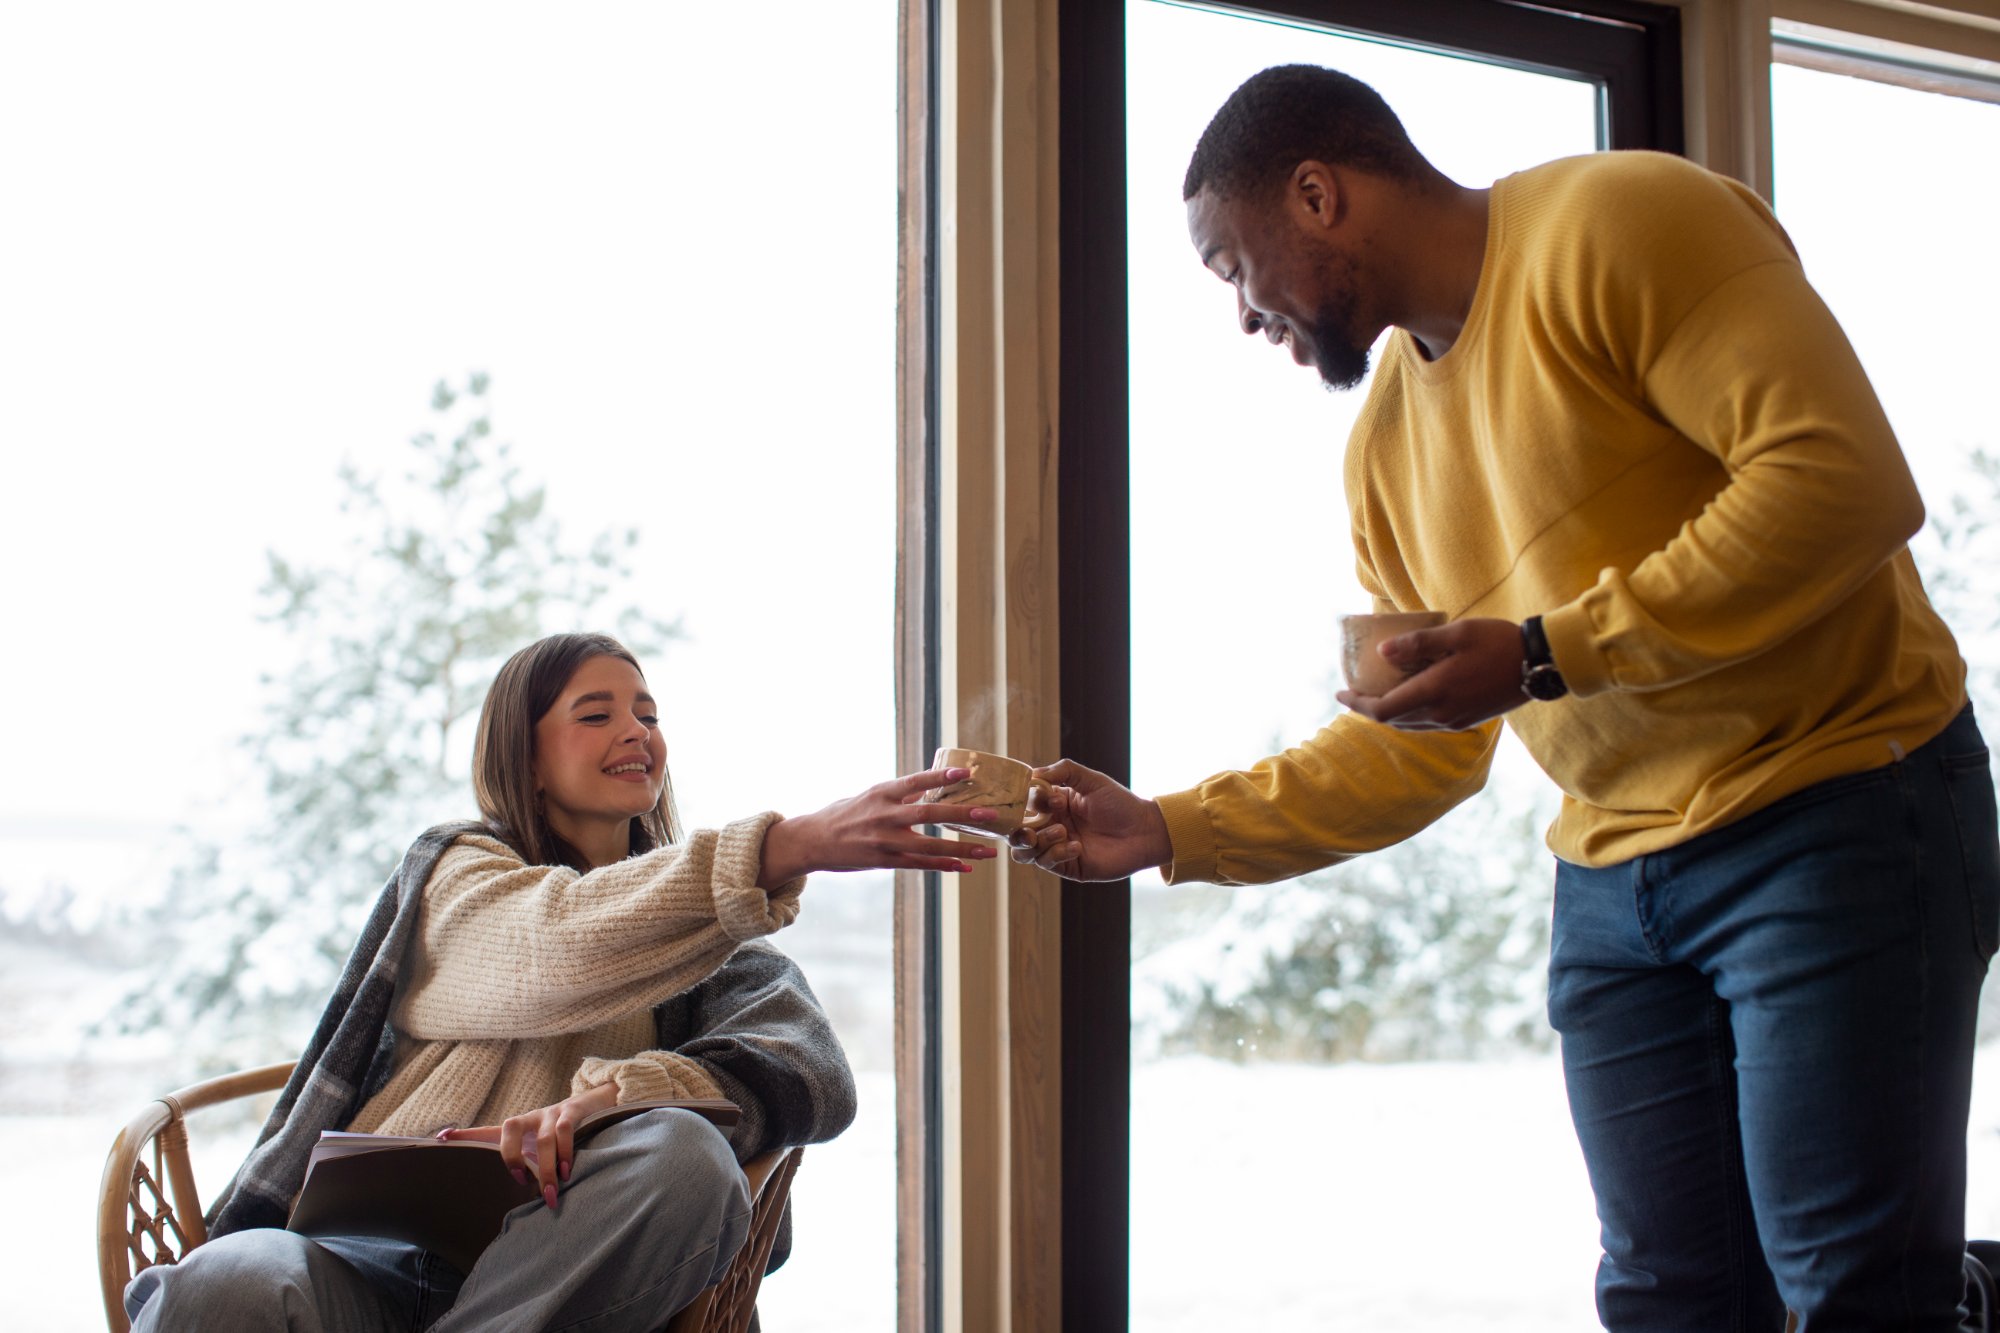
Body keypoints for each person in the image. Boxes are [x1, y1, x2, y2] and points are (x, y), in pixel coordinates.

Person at [1015, 64, 2000, 1330]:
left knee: (1855, 1294)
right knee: (1667, 1299)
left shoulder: (1623, 222)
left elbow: (1841, 482)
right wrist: (1168, 826)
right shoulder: (1381, 454)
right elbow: (1422, 744)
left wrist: (1544, 652)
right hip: (1612, 883)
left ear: (1315, 194)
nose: (1243, 314)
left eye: (1230, 268)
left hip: (1835, 804)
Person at [127, 630, 1000, 1332]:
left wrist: (617, 1097)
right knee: (229, 1278)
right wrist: (787, 844)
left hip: (568, 1273)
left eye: (648, 713)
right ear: (529, 756)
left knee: (689, 1159)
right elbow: (557, 946)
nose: (638, 730)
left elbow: (814, 1071)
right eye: (597, 713)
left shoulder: (710, 941)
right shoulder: (457, 874)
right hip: (359, 1264)